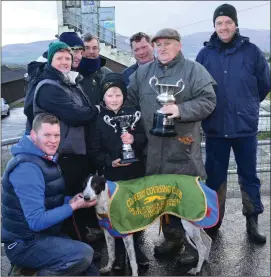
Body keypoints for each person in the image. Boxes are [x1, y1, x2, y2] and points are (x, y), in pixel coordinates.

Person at [126, 28, 216, 264]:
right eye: (158, 44)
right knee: (162, 197)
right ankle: (172, 238)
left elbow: (209, 101)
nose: (162, 48)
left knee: (186, 197)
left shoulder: (194, 70)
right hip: (153, 151)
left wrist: (180, 110)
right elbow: (130, 103)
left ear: (179, 45)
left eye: (168, 43)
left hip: (183, 149)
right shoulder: (142, 73)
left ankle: (193, 246)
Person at [195, 3, 270, 243]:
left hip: (245, 128)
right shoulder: (205, 54)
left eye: (228, 22)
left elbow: (264, 84)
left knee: (249, 176)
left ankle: (252, 220)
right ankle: (214, 222)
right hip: (215, 128)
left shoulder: (252, 52)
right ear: (214, 26)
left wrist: (246, 104)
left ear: (236, 24)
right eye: (219, 23)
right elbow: (197, 88)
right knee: (215, 177)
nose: (224, 27)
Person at [1, 113, 99, 276]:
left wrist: (70, 200)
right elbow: (36, 221)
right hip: (24, 244)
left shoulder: (45, 157)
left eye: (56, 135)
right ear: (33, 135)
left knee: (90, 271)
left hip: (43, 236)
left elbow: (48, 199)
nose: (53, 141)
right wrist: (72, 206)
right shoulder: (27, 168)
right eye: (47, 135)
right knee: (84, 254)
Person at [32, 41, 100, 242]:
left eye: (68, 58)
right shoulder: (48, 87)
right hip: (61, 156)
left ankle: (80, 242)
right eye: (59, 58)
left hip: (75, 153)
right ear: (51, 61)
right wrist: (97, 109)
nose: (64, 62)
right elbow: (77, 114)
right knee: (67, 202)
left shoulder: (69, 83)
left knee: (77, 199)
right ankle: (71, 249)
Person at [90, 73, 149, 269]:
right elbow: (94, 150)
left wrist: (134, 140)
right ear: (103, 97)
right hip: (113, 177)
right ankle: (119, 253)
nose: (114, 100)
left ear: (124, 95)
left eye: (118, 95)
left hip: (135, 174)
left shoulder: (134, 112)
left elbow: (143, 139)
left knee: (134, 211)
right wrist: (109, 162)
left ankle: (137, 249)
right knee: (116, 213)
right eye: (109, 95)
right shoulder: (98, 119)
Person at [24, 32, 85, 134]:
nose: (79, 56)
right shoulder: (45, 80)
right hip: (45, 140)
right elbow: (29, 109)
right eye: (75, 50)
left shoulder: (67, 76)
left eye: (81, 52)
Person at [78, 32, 112, 105]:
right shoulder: (73, 74)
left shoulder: (107, 74)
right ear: (80, 50)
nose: (91, 51)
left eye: (94, 48)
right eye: (86, 48)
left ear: (99, 50)